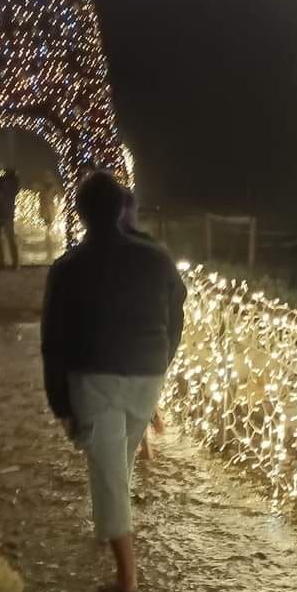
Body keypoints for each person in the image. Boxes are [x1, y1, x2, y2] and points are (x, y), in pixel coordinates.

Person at [41, 170, 186, 592]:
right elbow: (176, 313)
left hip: (94, 375)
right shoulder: (157, 258)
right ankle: (112, 525)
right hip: (146, 373)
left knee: (107, 470)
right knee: (115, 461)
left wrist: (60, 404)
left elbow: (53, 342)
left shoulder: (67, 269)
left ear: (80, 214)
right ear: (123, 208)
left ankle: (127, 577)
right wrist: (162, 359)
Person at [120, 188, 167, 461]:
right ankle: (147, 435)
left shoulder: (109, 246)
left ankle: (142, 442)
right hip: (146, 331)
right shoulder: (150, 248)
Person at [0, 165, 20, 269]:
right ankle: (4, 262)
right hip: (1, 212)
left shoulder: (8, 183)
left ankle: (13, 263)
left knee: (8, 237)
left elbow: (2, 195)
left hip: (5, 213)